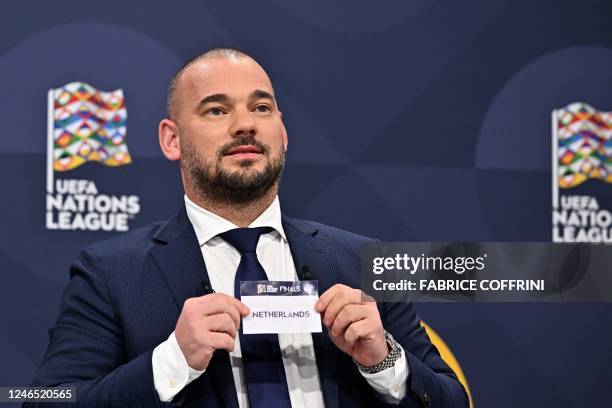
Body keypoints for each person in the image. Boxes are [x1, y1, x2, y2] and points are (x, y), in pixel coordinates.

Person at [28, 48, 468, 407]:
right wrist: (170, 361)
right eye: (216, 110)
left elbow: (451, 398)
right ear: (171, 139)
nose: (245, 124)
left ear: (283, 132)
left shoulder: (358, 260)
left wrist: (383, 362)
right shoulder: (110, 273)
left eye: (261, 107)